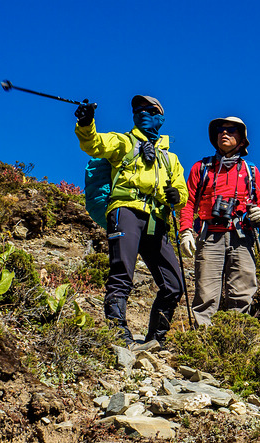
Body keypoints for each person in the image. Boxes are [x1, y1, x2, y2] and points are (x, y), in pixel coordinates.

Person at [74, 95, 188, 347]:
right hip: (125, 211)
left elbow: (182, 193)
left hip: (156, 220)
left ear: (160, 117)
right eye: (138, 109)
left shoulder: (170, 159)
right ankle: (118, 333)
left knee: (174, 285)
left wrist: (177, 196)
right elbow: (94, 144)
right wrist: (86, 123)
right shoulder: (124, 142)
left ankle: (156, 339)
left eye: (150, 109)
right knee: (122, 273)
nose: (143, 112)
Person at [179, 117, 260, 326]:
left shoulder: (250, 171)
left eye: (231, 130)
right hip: (209, 236)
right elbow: (188, 202)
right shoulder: (201, 167)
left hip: (241, 237)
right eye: (220, 130)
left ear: (242, 140)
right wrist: (186, 231)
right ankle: (203, 339)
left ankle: (236, 337)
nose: (224, 133)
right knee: (206, 294)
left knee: (242, 293)